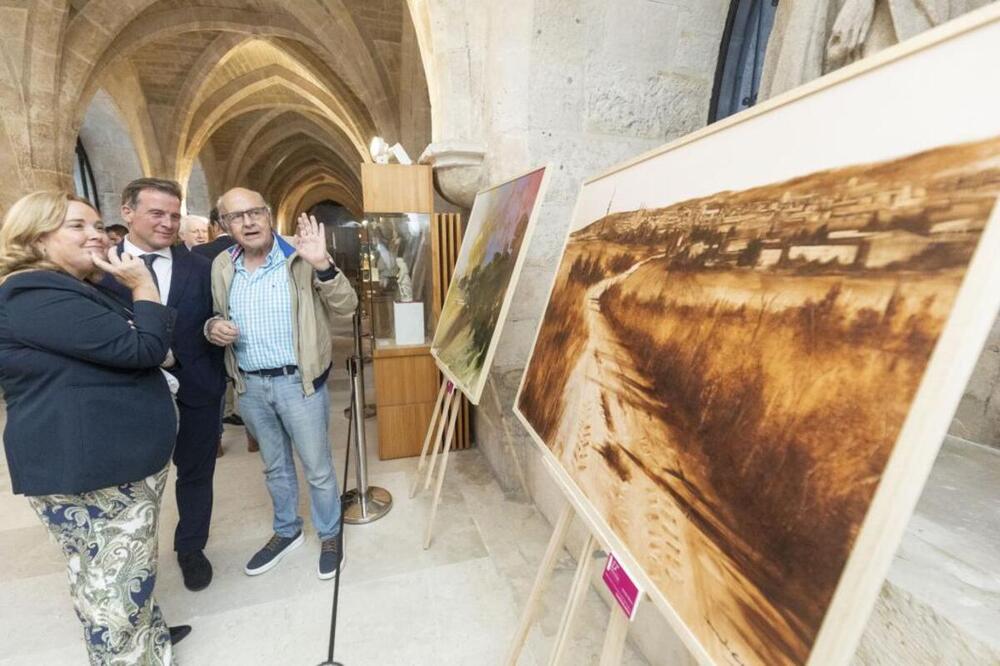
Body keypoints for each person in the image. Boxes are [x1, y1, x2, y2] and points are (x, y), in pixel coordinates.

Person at [0, 190, 189, 663]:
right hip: (92, 465)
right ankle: (129, 653)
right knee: (113, 584)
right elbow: (141, 349)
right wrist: (143, 287)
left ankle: (150, 638)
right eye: (78, 226)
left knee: (120, 571)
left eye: (96, 225)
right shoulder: (31, 292)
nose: (97, 236)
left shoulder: (73, 285)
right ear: (36, 238)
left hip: (106, 459)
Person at [205, 187, 357, 579]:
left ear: (269, 215)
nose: (249, 221)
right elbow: (215, 314)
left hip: (298, 384)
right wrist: (213, 327)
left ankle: (329, 533)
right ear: (224, 225)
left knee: (318, 468)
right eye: (237, 216)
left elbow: (347, 306)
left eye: (256, 212)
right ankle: (287, 531)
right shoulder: (222, 265)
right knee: (275, 467)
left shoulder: (299, 258)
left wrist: (323, 264)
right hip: (251, 387)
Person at [100, 178, 226, 593]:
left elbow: (211, 316)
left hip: (197, 388)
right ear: (128, 212)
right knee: (132, 482)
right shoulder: (98, 269)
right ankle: (133, 561)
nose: (168, 223)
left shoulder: (200, 267)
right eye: (157, 213)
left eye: (174, 215)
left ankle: (191, 548)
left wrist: (212, 326)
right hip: (130, 393)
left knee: (196, 473)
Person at [194, 206, 259, 454]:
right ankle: (253, 437)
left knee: (219, 384)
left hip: (215, 326)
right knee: (245, 383)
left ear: (214, 226)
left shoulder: (199, 253)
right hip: (245, 328)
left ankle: (217, 441)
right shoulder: (249, 250)